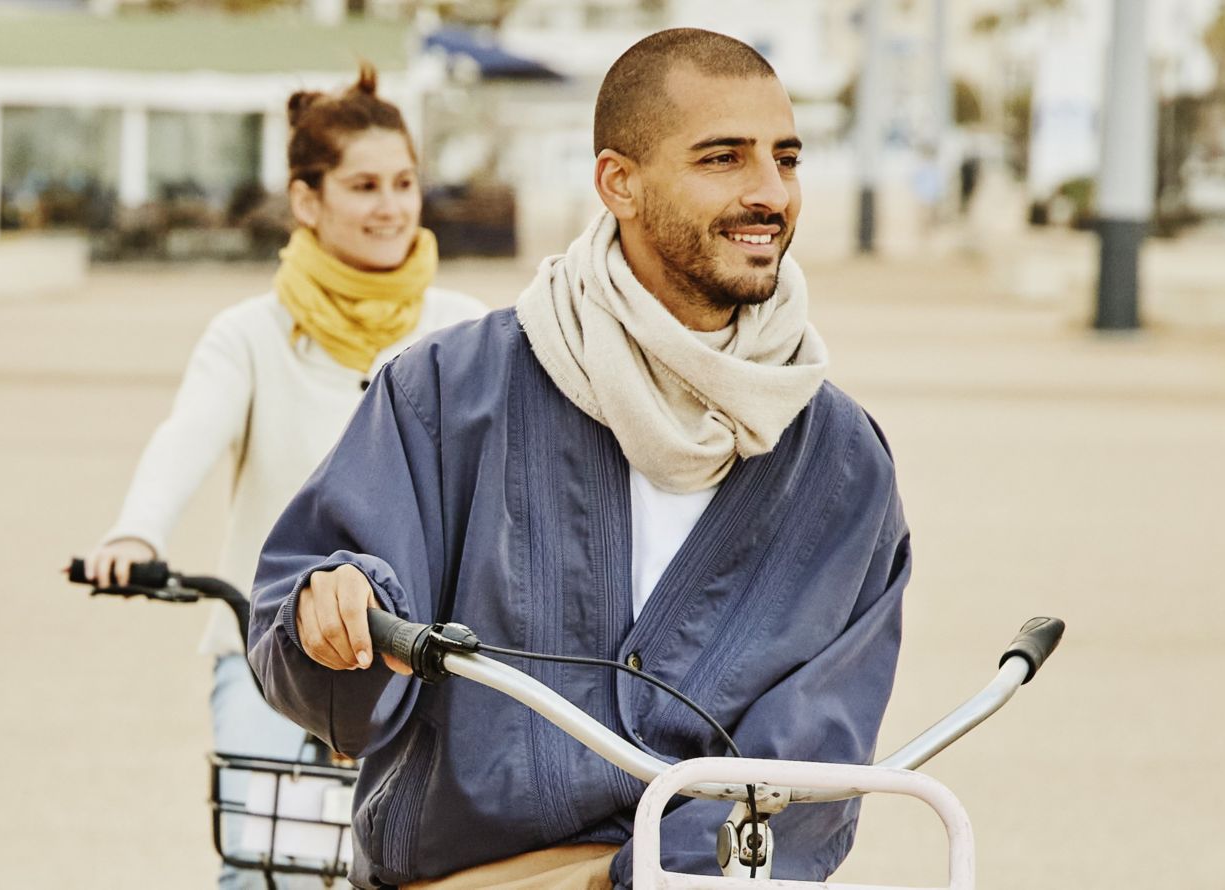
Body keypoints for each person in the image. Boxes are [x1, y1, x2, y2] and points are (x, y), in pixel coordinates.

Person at [243, 29, 909, 890]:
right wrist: (330, 612)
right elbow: (304, 658)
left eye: (786, 159)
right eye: (723, 158)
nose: (770, 193)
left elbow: (813, 757)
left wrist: (639, 880)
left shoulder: (843, 463)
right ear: (617, 183)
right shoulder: (444, 393)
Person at [74, 62, 490, 890]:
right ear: (307, 199)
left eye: (404, 182)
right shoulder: (251, 335)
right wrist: (137, 533)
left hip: (425, 662)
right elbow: (188, 435)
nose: (391, 206)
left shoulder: (464, 332)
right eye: (364, 185)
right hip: (268, 648)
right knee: (269, 866)